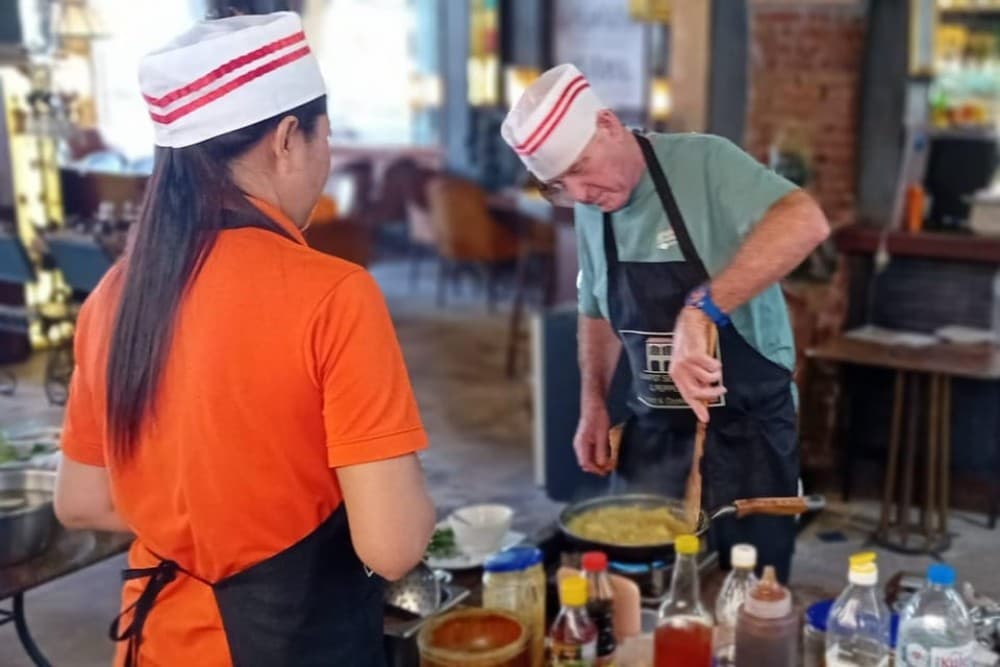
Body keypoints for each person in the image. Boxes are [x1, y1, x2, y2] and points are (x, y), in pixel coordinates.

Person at [54, 12, 434, 666]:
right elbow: (392, 545)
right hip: (290, 640)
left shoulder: (113, 295)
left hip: (157, 639)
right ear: (287, 138)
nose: (326, 157)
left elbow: (81, 500)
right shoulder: (333, 293)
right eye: (326, 137)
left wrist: (200, 523)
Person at [501, 64, 829, 581]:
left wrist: (703, 308)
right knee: (635, 597)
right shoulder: (591, 203)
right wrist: (591, 402)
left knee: (749, 601)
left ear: (608, 124)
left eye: (583, 168)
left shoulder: (705, 163)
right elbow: (596, 306)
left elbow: (805, 221)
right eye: (560, 185)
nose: (581, 192)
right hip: (653, 436)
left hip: (748, 437)